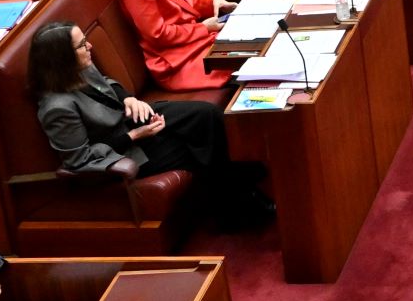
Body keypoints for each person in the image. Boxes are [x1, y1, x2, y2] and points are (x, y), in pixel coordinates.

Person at [26, 21, 269, 228]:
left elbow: (107, 82)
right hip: (123, 150)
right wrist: (133, 136)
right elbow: (79, 158)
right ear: (62, 59)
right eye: (81, 45)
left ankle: (240, 181)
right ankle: (237, 206)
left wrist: (129, 98)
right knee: (193, 147)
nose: (90, 46)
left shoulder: (79, 67)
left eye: (85, 40)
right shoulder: (56, 108)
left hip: (129, 119)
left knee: (207, 115)